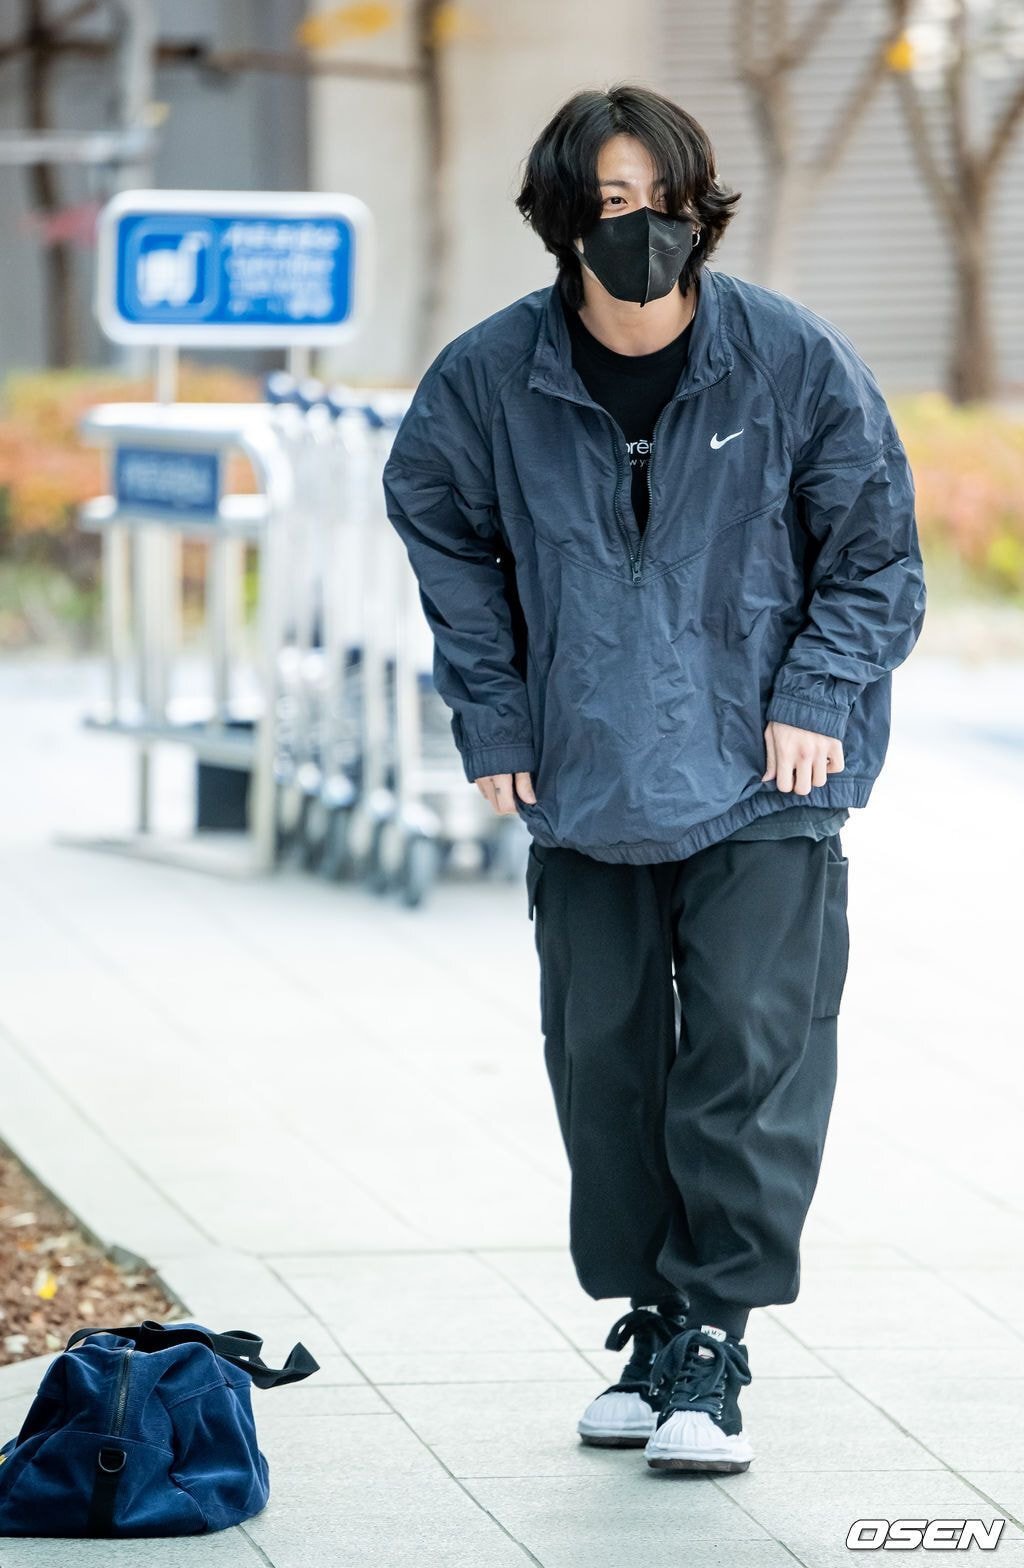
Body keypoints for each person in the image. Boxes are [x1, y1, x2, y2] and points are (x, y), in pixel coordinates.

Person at [382, 83, 926, 1475]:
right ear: (566, 218)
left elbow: (877, 553)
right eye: (615, 204)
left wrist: (815, 698)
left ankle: (716, 1339)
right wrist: (496, 716)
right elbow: (442, 536)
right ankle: (652, 1317)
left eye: (666, 202)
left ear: (702, 213)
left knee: (747, 1049)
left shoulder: (791, 360)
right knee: (606, 1062)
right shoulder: (488, 379)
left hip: (768, 774)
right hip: (584, 771)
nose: (645, 229)